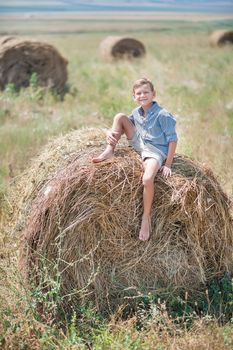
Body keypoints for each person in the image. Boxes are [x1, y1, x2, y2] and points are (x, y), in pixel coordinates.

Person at [92, 78, 178, 241]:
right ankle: (109, 151)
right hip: (139, 143)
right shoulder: (137, 113)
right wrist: (109, 133)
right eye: (138, 93)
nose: (142, 95)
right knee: (119, 117)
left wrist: (168, 164)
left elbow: (173, 140)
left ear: (154, 94)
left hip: (155, 151)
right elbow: (124, 126)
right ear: (134, 96)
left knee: (147, 179)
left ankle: (146, 218)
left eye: (146, 92)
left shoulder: (163, 115)